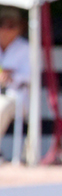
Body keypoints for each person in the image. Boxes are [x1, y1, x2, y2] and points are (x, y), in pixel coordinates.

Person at [0, 10, 30, 160]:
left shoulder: (25, 48)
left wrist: (11, 76)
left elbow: (31, 77)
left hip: (17, 96)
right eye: (2, 25)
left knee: (2, 106)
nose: (5, 29)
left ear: (19, 28)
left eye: (11, 26)